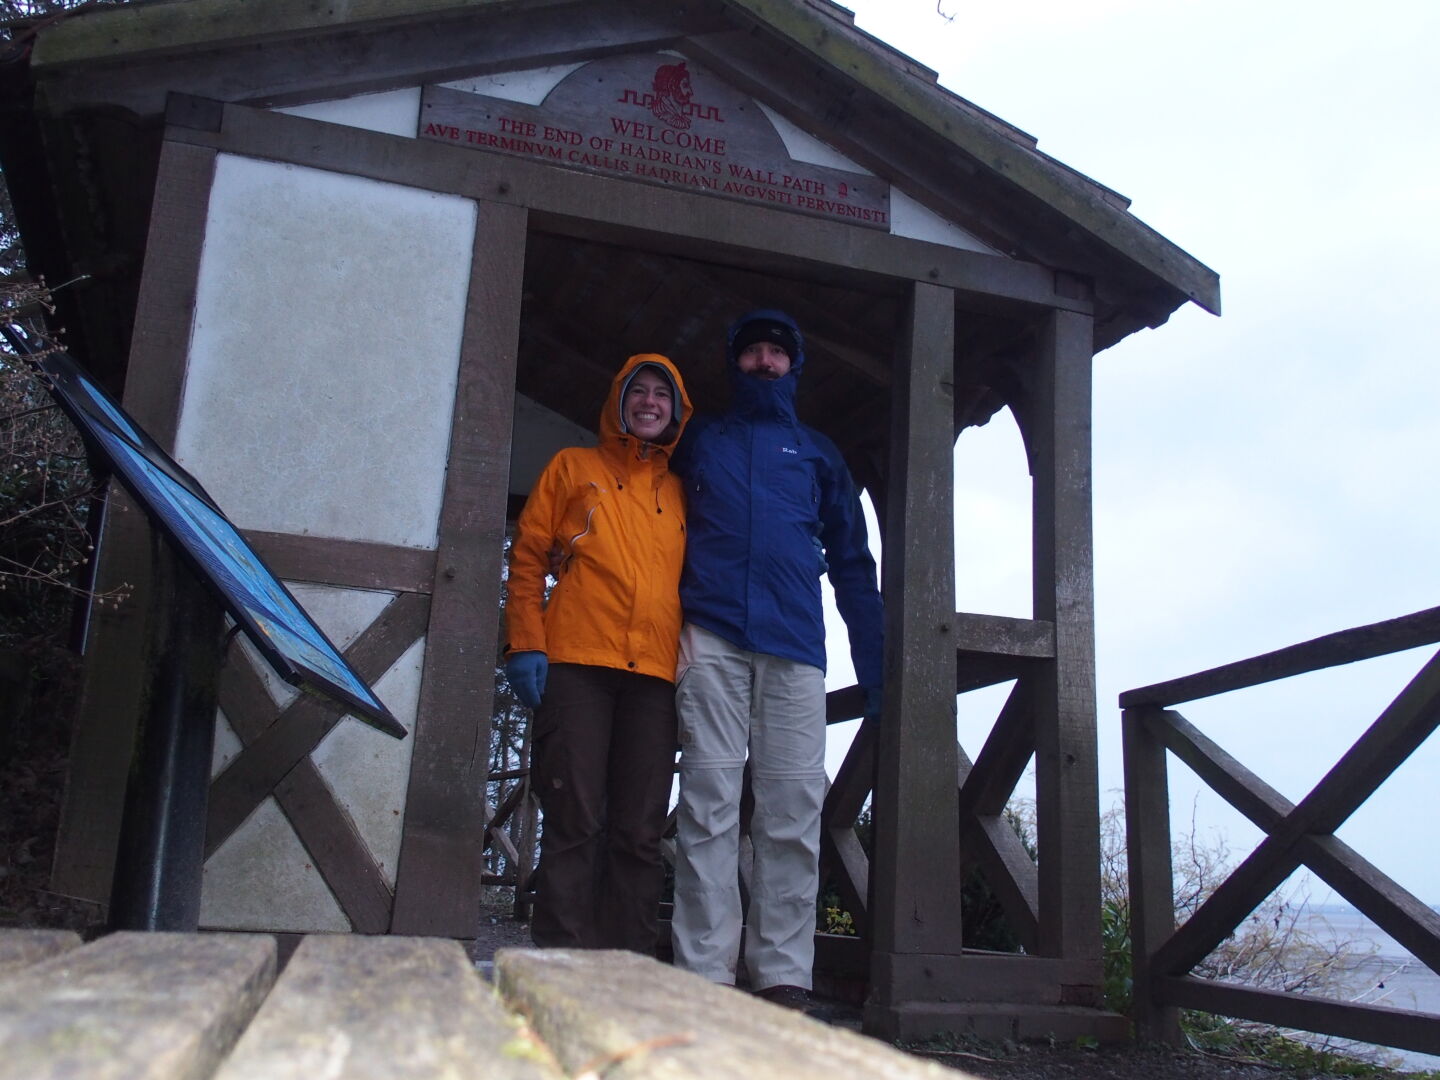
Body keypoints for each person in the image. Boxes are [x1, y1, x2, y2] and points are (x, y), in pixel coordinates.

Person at [668, 309, 883, 1009]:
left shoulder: (820, 453)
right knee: (709, 805)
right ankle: (705, 972)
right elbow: (650, 523)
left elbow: (853, 563)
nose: (765, 361)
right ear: (735, 364)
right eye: (753, 351)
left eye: (776, 352)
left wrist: (874, 664)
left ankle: (784, 973)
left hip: (796, 647)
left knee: (792, 808)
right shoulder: (700, 441)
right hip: (711, 635)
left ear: (794, 366)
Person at [504, 353, 692, 953]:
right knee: (574, 820)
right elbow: (529, 558)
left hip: (656, 676)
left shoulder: (682, 490)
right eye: (640, 391)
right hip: (577, 663)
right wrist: (526, 643)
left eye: (663, 395)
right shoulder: (572, 467)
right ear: (619, 401)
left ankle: (626, 967)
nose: (650, 403)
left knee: (638, 832)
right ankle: (558, 961)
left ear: (677, 412)